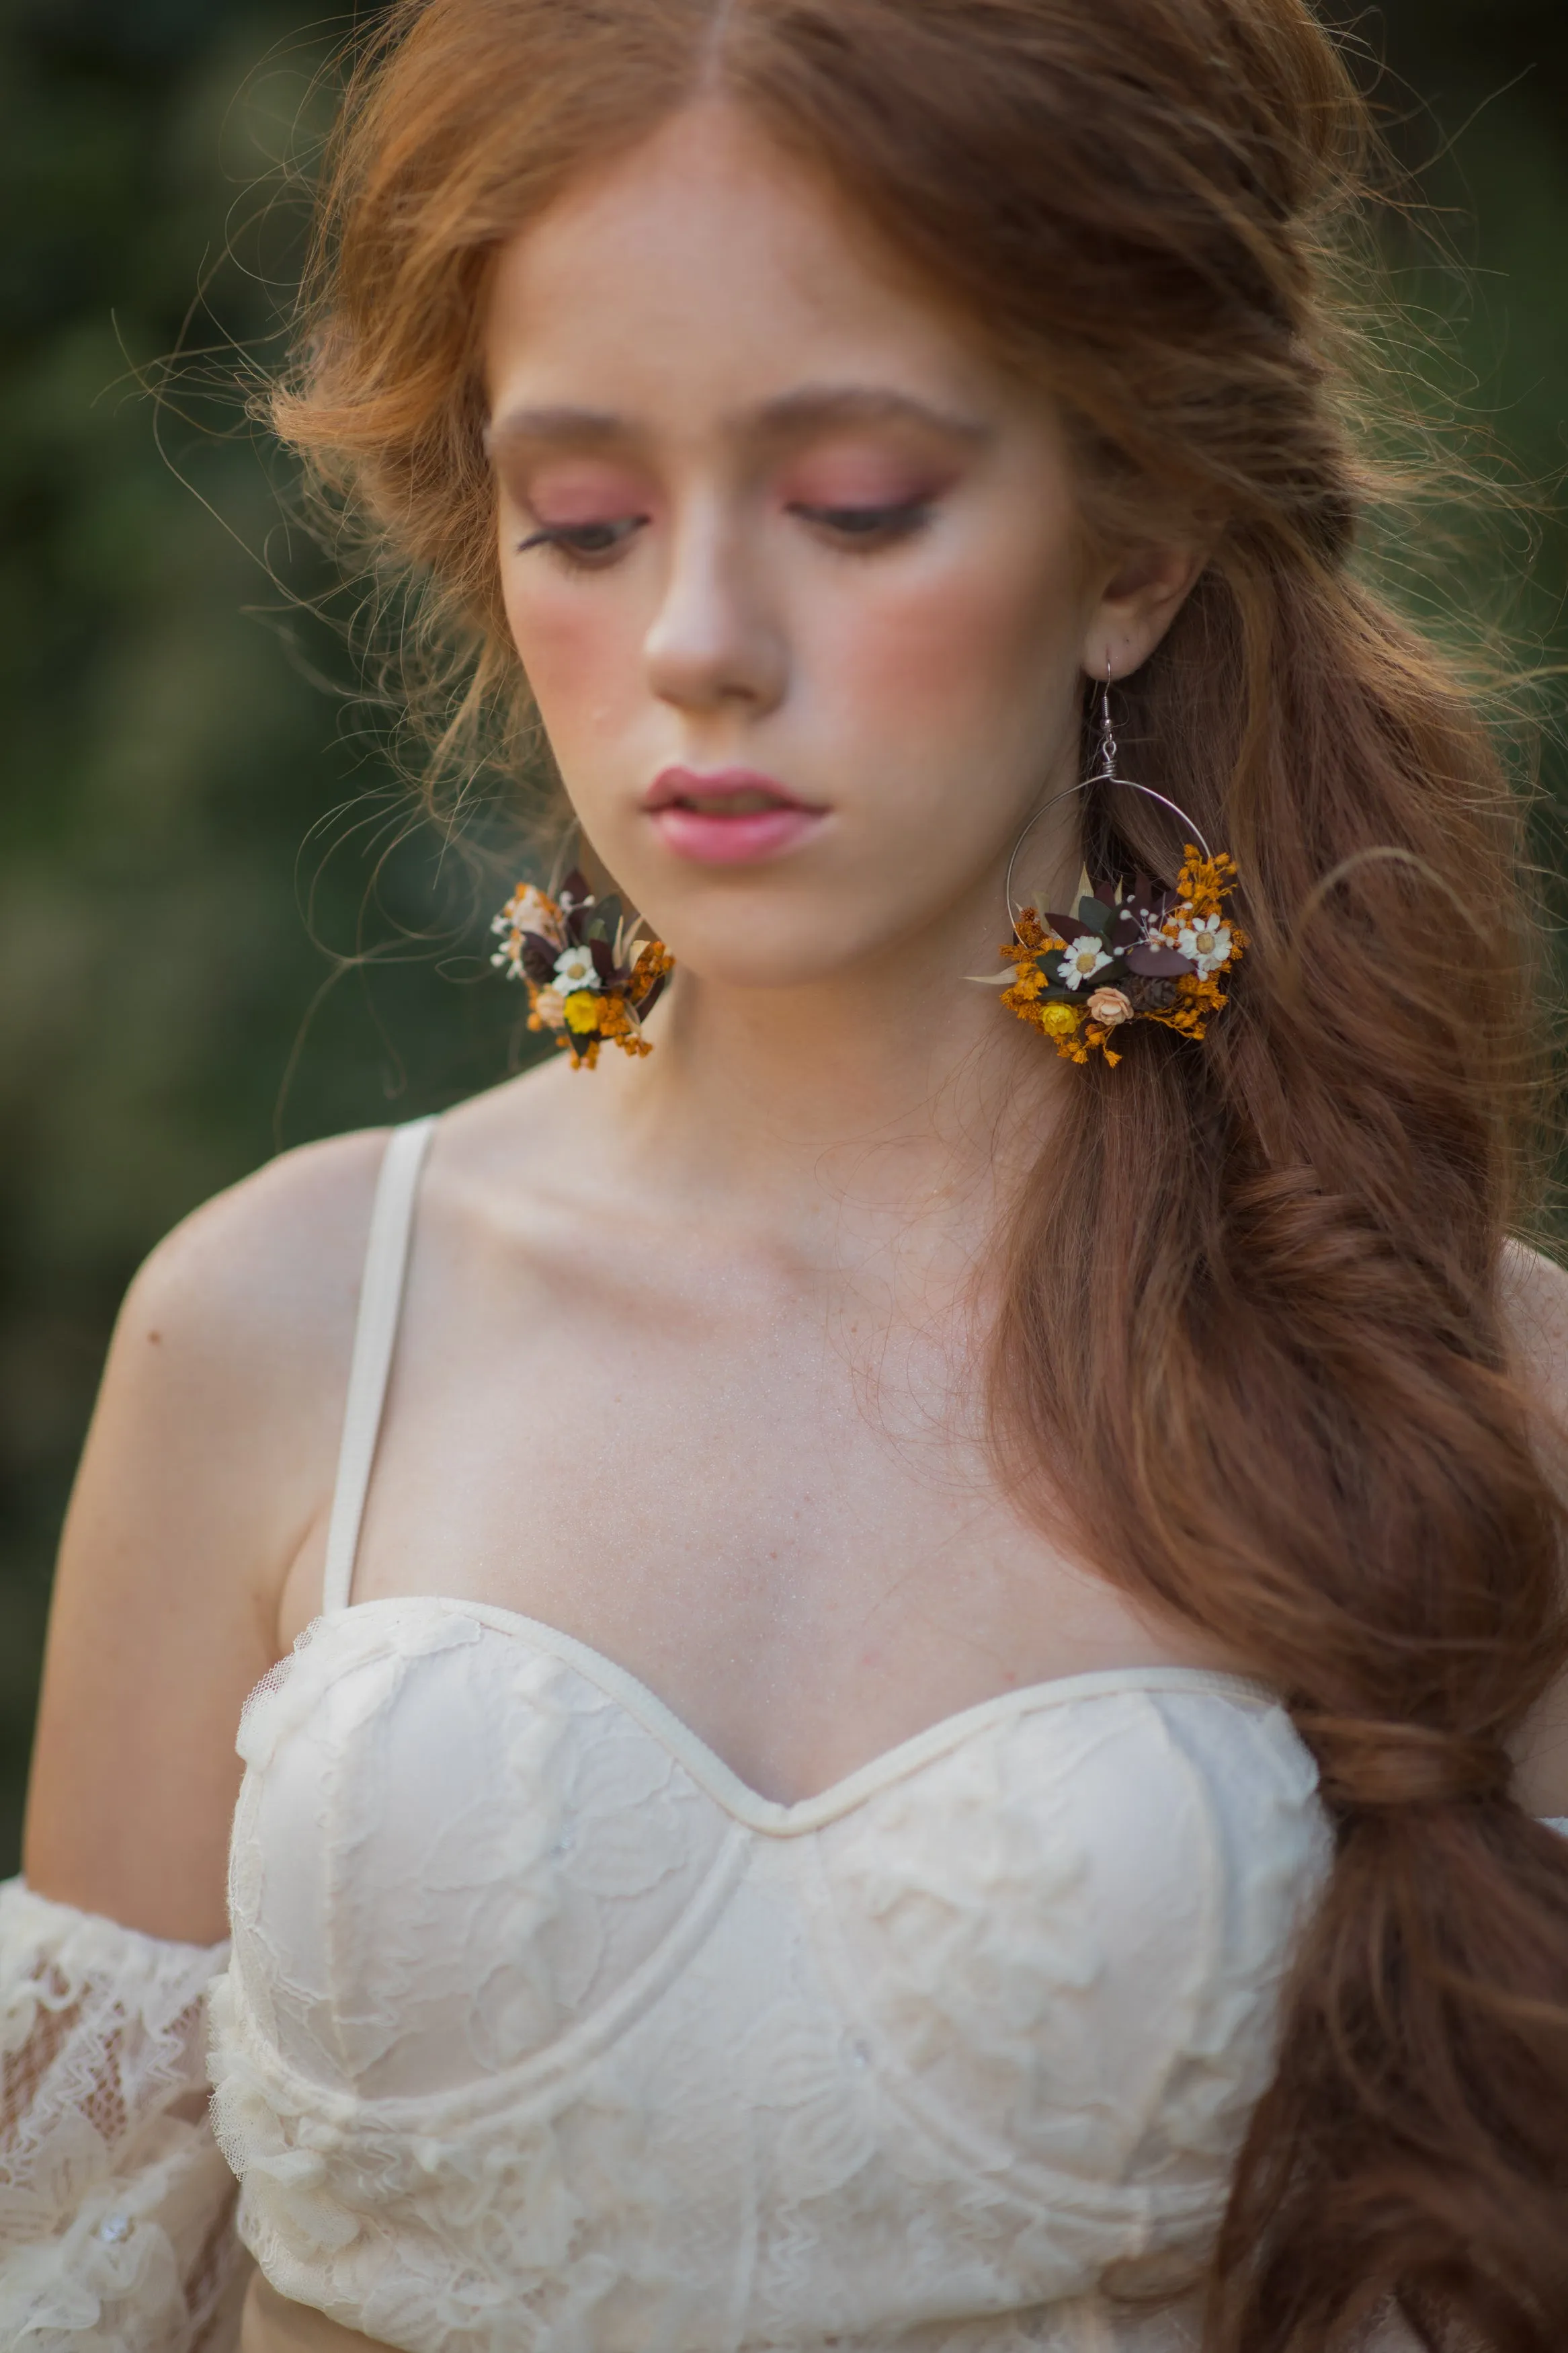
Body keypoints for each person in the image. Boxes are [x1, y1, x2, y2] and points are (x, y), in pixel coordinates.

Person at [3, 0, 1567, 2347]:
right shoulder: (272, 1325)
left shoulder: (1481, 1392)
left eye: (853, 504)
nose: (699, 644)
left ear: (1131, 540)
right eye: (588, 521)